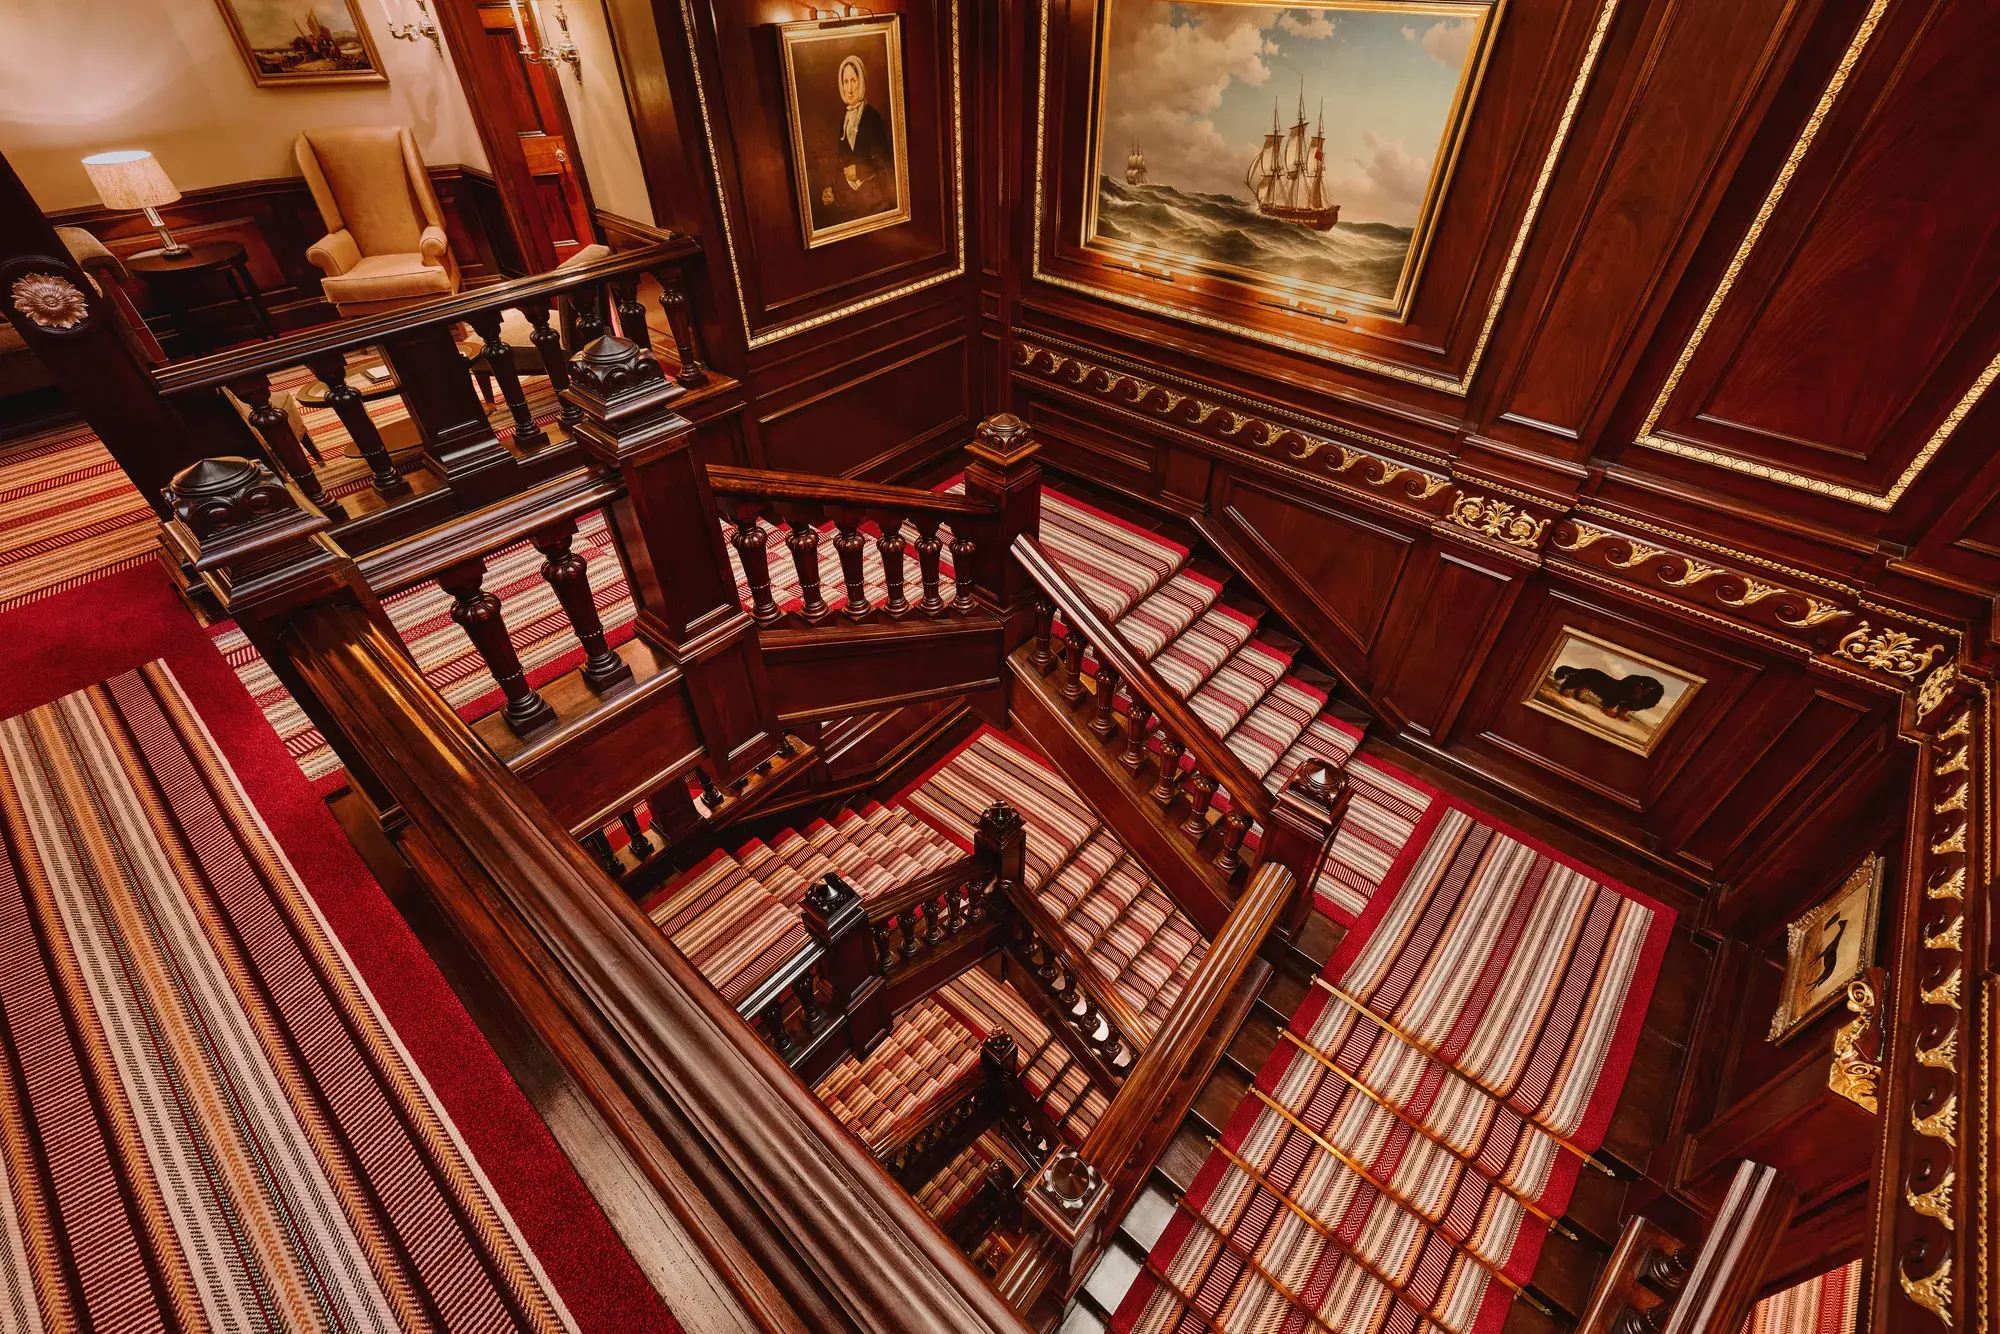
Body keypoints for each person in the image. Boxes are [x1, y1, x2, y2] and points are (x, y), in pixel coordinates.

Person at [820, 53, 893, 221]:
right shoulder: (844, 120)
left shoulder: (872, 116)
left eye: (853, 80)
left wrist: (859, 171)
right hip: (851, 202)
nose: (850, 89)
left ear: (861, 81)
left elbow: (885, 160)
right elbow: (841, 161)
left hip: (875, 201)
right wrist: (831, 189)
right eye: (846, 82)